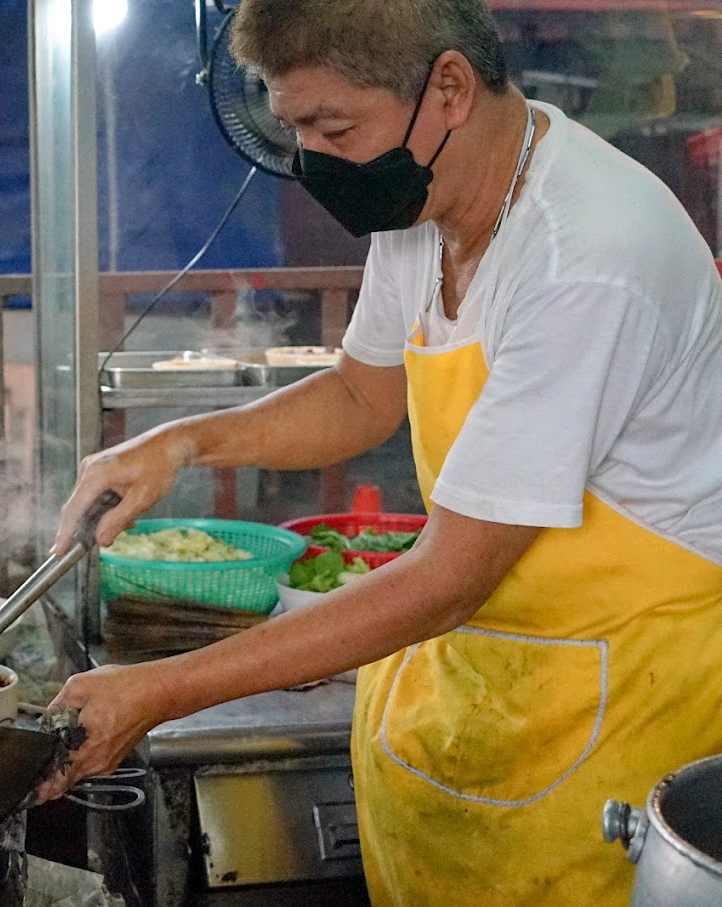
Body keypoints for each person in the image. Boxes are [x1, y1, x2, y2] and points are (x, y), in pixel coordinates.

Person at [37, 0, 722, 903]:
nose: (316, 160)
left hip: (613, 724)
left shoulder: (589, 256)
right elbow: (362, 393)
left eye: (334, 127)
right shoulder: (430, 196)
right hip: (468, 691)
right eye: (295, 129)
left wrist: (158, 690)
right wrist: (182, 440)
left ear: (448, 88)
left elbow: (448, 577)